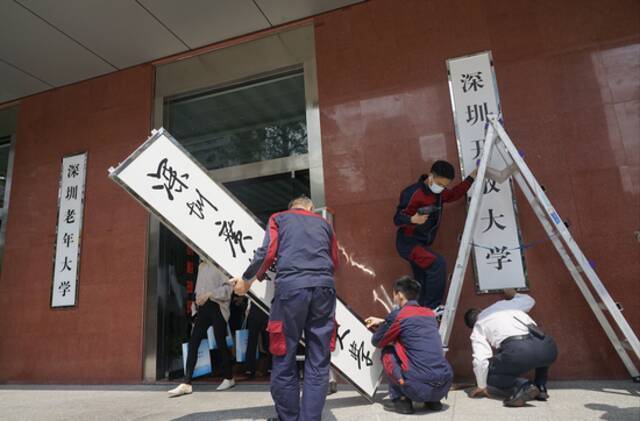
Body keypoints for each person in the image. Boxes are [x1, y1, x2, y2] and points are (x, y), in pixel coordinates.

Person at [231, 195, 339, 421]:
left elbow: (268, 252)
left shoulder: (279, 219)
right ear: (310, 208)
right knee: (319, 359)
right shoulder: (324, 224)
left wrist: (247, 279)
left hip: (291, 292)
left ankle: (288, 417)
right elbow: (334, 260)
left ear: (291, 208)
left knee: (283, 354)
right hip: (324, 291)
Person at [394, 160, 477, 311]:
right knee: (437, 264)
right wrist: (412, 219)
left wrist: (471, 177)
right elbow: (397, 219)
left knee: (423, 282)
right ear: (431, 176)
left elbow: (454, 194)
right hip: (408, 243)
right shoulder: (412, 193)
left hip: (422, 244)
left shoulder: (439, 193)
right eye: (440, 184)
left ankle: (420, 312)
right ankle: (433, 308)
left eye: (444, 186)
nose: (442, 188)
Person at [366, 276, 453, 415]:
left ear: (399, 295)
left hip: (417, 387)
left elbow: (377, 340)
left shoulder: (398, 315)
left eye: (393, 294)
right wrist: (384, 322)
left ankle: (401, 401)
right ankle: (432, 401)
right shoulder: (429, 314)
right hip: (443, 385)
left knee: (388, 351)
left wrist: (385, 325)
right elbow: (412, 330)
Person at [464, 289, 558, 407]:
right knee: (539, 350)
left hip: (520, 352)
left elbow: (480, 360)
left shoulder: (478, 326)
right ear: (480, 310)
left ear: (472, 325)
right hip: (548, 347)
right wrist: (514, 294)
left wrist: (481, 385)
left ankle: (524, 386)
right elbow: (529, 301)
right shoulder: (502, 305)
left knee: (486, 373)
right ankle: (541, 387)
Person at [168, 261, 235, 397]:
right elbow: (198, 290)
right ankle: (187, 382)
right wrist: (195, 307)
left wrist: (210, 294)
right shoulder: (201, 265)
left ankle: (229, 377)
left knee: (220, 342)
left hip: (217, 308)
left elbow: (228, 289)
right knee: (194, 343)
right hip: (203, 309)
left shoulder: (219, 264)